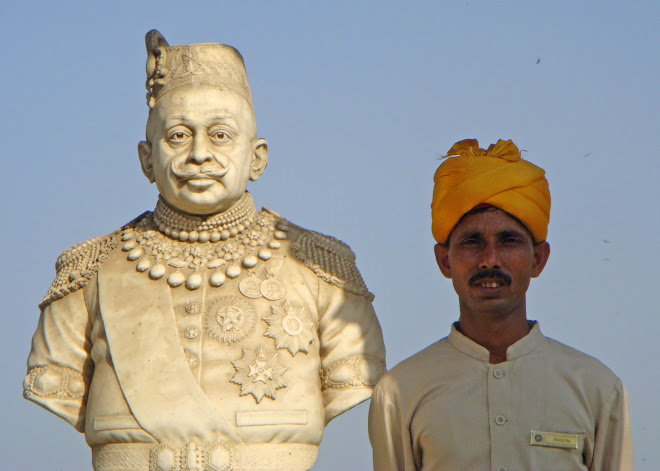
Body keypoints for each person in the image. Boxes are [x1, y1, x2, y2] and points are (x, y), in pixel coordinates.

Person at [24, 30, 385, 471]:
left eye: (219, 135)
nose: (198, 154)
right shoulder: (89, 273)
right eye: (177, 135)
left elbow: (352, 384)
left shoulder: (322, 269)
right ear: (146, 159)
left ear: (257, 158)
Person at [368, 138, 633, 471]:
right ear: (444, 261)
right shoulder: (401, 391)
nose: (489, 260)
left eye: (508, 241)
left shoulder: (596, 387)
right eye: (472, 242)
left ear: (538, 259)